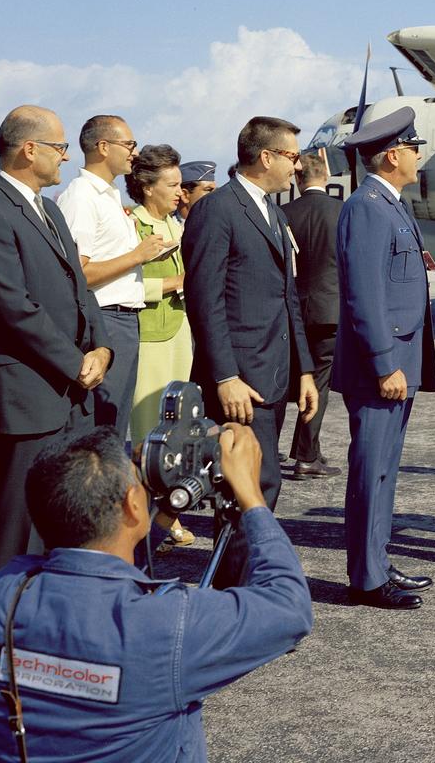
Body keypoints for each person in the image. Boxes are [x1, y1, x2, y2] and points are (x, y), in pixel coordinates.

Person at [0, 426, 312, 762]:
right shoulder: (166, 625)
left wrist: (162, 516)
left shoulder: (6, 592)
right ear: (133, 504)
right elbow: (289, 606)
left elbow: (94, 573)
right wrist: (252, 497)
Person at [0, 106, 112, 591]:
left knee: (58, 522)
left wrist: (101, 348)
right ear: (30, 149)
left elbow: (79, 290)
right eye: (60, 147)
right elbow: (11, 305)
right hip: (24, 390)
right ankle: (1, 641)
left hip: (66, 389)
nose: (65, 157)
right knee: (15, 526)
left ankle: (41, 632)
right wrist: (74, 362)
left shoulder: (48, 207)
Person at [182, 116, 316, 588]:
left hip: (274, 373)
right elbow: (205, 299)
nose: (297, 167)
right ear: (266, 157)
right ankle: (231, 596)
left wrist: (304, 370)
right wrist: (224, 375)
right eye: (292, 157)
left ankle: (243, 589)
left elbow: (288, 297)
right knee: (244, 488)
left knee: (263, 484)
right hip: (240, 379)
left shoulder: (272, 212)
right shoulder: (217, 210)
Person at [334, 107, 435, 608]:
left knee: (385, 471)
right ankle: (366, 579)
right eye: (414, 148)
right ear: (393, 154)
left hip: (398, 363)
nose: (419, 156)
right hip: (383, 367)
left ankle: (377, 563)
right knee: (371, 470)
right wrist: (383, 362)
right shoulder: (368, 206)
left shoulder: (389, 203)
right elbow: (363, 294)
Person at [58, 115, 162, 440]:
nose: (135, 151)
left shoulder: (108, 195)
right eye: (129, 144)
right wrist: (137, 255)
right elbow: (77, 274)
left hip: (123, 319)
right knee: (101, 426)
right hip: (104, 320)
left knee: (114, 422)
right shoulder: (82, 197)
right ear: (103, 147)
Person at [125, 145, 196, 548]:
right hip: (149, 338)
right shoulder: (130, 225)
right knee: (145, 438)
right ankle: (141, 523)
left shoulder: (175, 225)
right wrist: (168, 285)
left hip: (179, 337)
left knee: (177, 435)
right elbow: (119, 284)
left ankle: (165, 516)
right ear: (147, 187)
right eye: (171, 184)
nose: (179, 192)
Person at [282, 149, 344, 480]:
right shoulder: (341, 212)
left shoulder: (283, 212)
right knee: (317, 384)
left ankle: (306, 449)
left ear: (297, 176)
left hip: (293, 310)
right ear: (327, 176)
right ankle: (306, 455)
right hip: (329, 311)